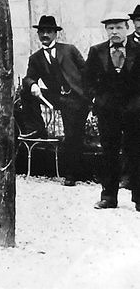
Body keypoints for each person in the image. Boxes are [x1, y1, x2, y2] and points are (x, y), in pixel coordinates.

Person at [22, 15, 90, 186]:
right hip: (55, 97)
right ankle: (37, 129)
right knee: (25, 92)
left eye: (49, 31)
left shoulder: (69, 50)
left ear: (55, 34)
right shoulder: (36, 58)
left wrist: (89, 97)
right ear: (38, 34)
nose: (45, 35)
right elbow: (28, 77)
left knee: (73, 135)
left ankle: (72, 174)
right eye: (42, 32)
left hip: (75, 98)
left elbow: (86, 72)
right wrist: (33, 85)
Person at [83, 13, 140, 210]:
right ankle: (108, 197)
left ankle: (139, 198)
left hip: (134, 112)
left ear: (127, 28)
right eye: (110, 28)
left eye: (118, 27)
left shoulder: (138, 49)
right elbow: (87, 79)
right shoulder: (96, 51)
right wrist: (96, 99)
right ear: (106, 30)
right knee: (109, 153)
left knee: (136, 152)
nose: (114, 32)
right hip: (108, 112)